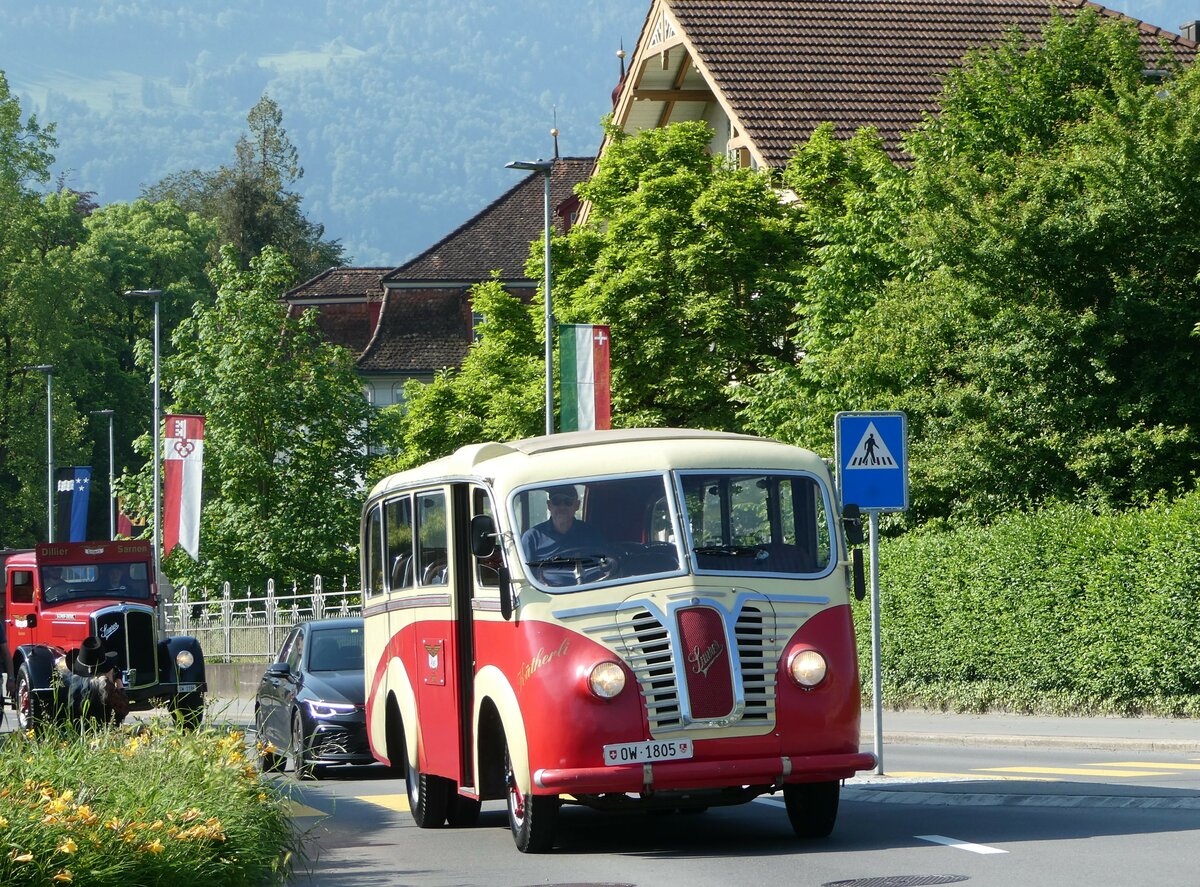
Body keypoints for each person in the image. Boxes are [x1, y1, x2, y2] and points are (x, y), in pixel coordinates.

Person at [521, 484, 608, 562]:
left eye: (568, 502)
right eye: (556, 501)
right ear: (549, 505)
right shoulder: (532, 538)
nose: (562, 507)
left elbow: (606, 564)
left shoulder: (591, 533)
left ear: (577, 505)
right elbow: (523, 571)